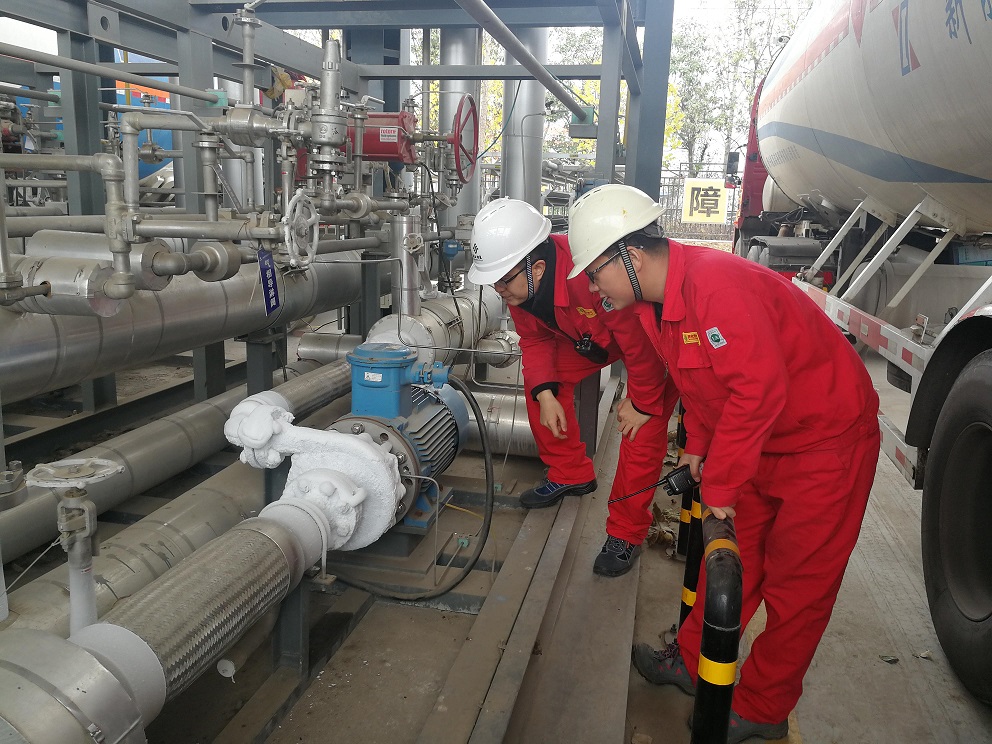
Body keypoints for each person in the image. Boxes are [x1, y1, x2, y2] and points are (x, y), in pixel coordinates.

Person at [566, 184, 880, 741]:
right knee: (736, 559)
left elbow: (757, 391)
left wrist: (721, 485)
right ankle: (693, 663)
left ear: (630, 256)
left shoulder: (715, 287)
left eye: (595, 273)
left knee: (798, 587)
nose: (593, 288)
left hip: (824, 443)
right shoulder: (656, 306)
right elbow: (707, 379)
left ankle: (763, 706)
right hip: (761, 441)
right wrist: (699, 444)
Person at [467, 198, 679, 577]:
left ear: (538, 267)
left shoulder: (593, 273)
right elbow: (534, 340)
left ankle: (626, 531)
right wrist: (546, 394)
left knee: (641, 426)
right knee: (540, 387)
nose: (499, 290)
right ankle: (570, 473)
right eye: (493, 281)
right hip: (590, 340)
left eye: (503, 280)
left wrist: (642, 402)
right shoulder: (519, 284)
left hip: (648, 342)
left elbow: (642, 349)